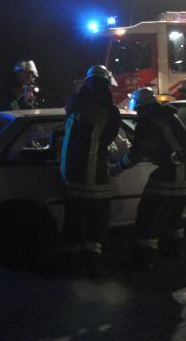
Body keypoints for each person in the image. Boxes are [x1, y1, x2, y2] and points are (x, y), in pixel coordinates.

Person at [115, 87, 186, 270]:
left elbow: (139, 152)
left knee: (149, 214)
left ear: (138, 105)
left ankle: (142, 260)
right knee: (174, 215)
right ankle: (174, 250)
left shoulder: (147, 120)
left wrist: (118, 167)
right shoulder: (168, 115)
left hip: (173, 171)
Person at [59, 65, 121, 274]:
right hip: (95, 175)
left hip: (70, 173)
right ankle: (90, 260)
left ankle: (68, 259)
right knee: (98, 219)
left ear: (87, 82)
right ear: (107, 84)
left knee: (73, 219)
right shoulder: (110, 111)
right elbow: (108, 140)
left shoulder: (74, 103)